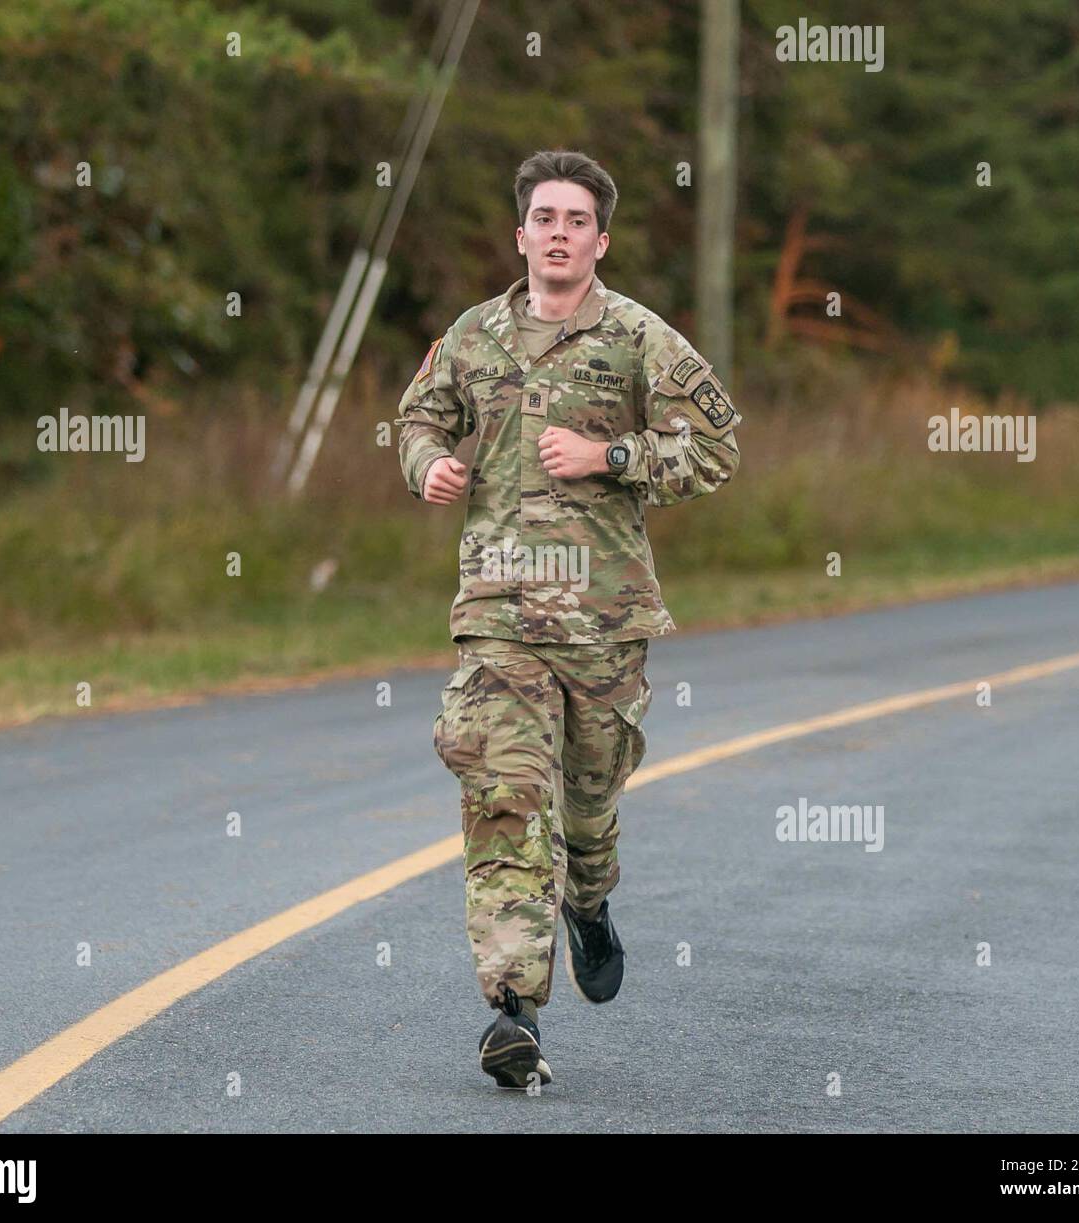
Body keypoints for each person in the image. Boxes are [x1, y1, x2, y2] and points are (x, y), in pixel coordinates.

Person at [394, 149, 742, 1089]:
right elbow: (415, 417)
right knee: (506, 798)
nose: (558, 231)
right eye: (543, 216)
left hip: (602, 621)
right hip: (499, 617)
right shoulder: (472, 337)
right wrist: (426, 462)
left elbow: (715, 448)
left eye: (576, 219)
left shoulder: (638, 339)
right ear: (521, 235)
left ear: (599, 239)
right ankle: (513, 1011)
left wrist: (611, 454)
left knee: (586, 810)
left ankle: (589, 903)